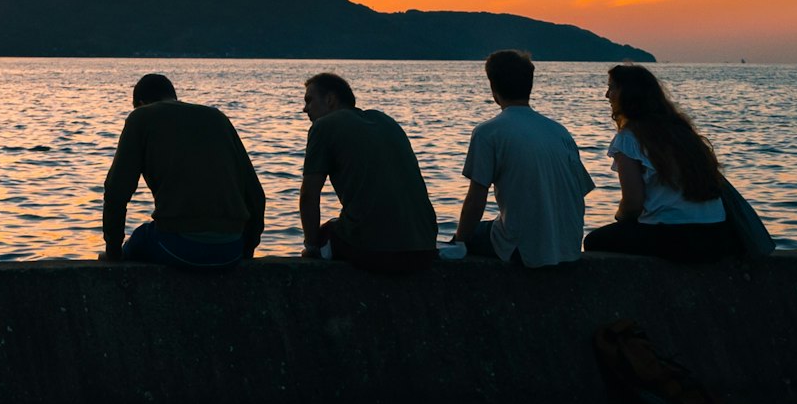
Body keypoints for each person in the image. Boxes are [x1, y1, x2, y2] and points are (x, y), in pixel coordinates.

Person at [101, 72, 263, 267]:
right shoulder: (217, 117)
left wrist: (112, 252)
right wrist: (247, 249)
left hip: (178, 246)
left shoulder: (141, 117)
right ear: (174, 97)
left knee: (139, 238)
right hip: (231, 249)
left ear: (141, 103)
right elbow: (255, 194)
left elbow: (115, 192)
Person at [585, 64, 744, 261]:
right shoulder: (682, 132)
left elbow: (633, 204)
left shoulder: (629, 138)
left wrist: (620, 218)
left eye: (613, 88)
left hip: (675, 236)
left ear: (629, 95)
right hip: (717, 233)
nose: (607, 95)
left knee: (594, 241)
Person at [452, 49, 595, 266]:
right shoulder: (559, 131)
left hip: (523, 249)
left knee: (468, 235)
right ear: (530, 86)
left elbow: (476, 198)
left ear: (493, 88)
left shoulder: (488, 132)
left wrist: (460, 241)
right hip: (569, 246)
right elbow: (580, 190)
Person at [296, 71, 436, 277]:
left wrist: (311, 246)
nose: (304, 108)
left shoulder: (324, 126)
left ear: (330, 99)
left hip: (378, 251)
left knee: (325, 233)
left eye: (309, 100)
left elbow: (309, 195)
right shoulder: (386, 121)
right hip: (425, 248)